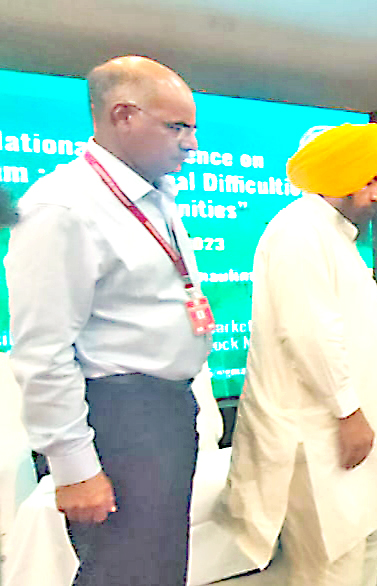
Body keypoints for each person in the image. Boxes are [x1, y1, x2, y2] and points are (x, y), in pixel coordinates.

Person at [6, 55, 210, 585]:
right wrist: (74, 467)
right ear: (123, 115)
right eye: (177, 127)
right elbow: (43, 350)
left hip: (163, 413)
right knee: (125, 573)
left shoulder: (155, 196)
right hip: (118, 420)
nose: (190, 144)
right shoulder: (64, 207)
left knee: (159, 570)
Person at [219, 123, 377, 586]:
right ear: (339, 177)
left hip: (345, 434)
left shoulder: (332, 235)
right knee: (330, 567)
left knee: (362, 551)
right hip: (321, 434)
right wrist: (348, 411)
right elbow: (309, 333)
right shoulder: (298, 232)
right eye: (370, 181)